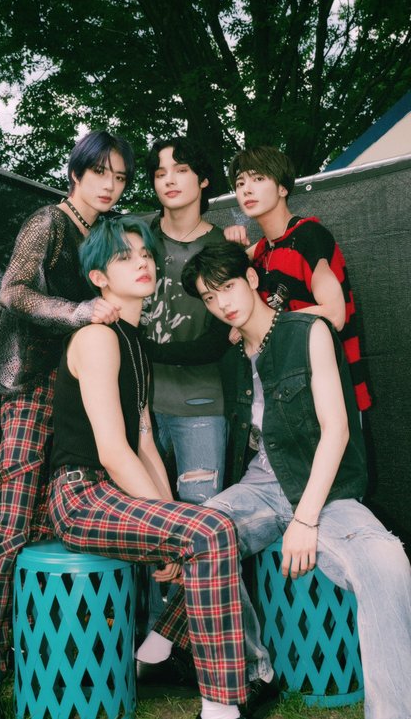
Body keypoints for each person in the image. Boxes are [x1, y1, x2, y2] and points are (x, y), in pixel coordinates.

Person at [181, 242, 411, 719]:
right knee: (199, 532)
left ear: (251, 279)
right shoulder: (232, 357)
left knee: (388, 562)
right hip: (262, 485)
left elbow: (337, 430)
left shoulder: (308, 331)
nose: (222, 303)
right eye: (209, 297)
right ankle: (249, 677)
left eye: (228, 287)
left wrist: (305, 520)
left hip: (323, 488)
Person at [0, 129, 135, 719]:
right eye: (100, 172)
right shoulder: (48, 222)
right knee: (12, 523)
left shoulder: (106, 233)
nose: (110, 185)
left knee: (58, 524)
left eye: (120, 177)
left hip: (85, 387)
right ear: (76, 172)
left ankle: (54, 650)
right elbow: (12, 292)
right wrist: (78, 311)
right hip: (33, 385)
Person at [47, 216, 250, 719]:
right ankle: (221, 707)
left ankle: (156, 648)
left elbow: (144, 443)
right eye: (124, 257)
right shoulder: (98, 338)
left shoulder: (133, 341)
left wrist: (170, 518)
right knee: (208, 533)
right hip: (80, 496)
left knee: (215, 530)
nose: (142, 262)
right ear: (99, 278)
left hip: (111, 492)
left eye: (145, 254)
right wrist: (170, 532)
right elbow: (113, 451)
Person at [139, 137, 231, 644]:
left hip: (200, 405)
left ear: (204, 180)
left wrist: (142, 349)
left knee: (200, 524)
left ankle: (191, 643)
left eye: (180, 168)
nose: (169, 179)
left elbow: (218, 343)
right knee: (146, 524)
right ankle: (149, 640)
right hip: (137, 407)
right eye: (159, 172)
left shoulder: (222, 246)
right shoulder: (136, 238)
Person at [224, 146, 371, 411]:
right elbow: (218, 278)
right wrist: (230, 248)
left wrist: (263, 323)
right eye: (240, 183)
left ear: (282, 188)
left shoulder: (308, 236)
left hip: (330, 385)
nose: (246, 189)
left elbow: (335, 313)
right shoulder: (261, 250)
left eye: (258, 179)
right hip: (288, 388)